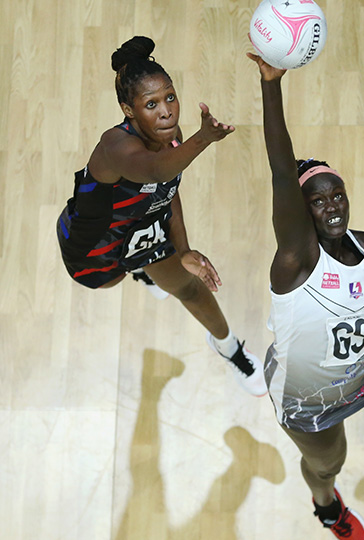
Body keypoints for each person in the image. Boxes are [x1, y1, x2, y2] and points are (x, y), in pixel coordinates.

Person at [247, 52, 364, 539]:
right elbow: (282, 174)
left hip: (361, 366)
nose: (332, 208)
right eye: (318, 201)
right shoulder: (296, 259)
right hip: (310, 399)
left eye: (338, 196)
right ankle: (327, 507)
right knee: (330, 463)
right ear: (302, 211)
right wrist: (271, 84)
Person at [55, 36, 266, 397]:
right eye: (151, 104)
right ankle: (138, 271)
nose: (166, 111)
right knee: (110, 282)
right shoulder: (115, 147)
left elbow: (167, 187)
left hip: (143, 227)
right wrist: (201, 140)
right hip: (95, 245)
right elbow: (154, 171)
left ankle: (230, 349)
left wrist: (183, 249)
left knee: (188, 286)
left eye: (170, 97)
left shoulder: (170, 136)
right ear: (128, 110)